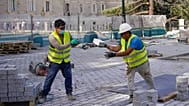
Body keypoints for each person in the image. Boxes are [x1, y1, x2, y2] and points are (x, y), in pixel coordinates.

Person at [100, 23, 156, 102]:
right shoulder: (123, 39)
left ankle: (153, 91)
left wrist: (114, 55)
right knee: (130, 79)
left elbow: (127, 52)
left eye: (123, 34)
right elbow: (117, 49)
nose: (121, 36)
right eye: (121, 34)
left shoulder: (135, 40)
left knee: (147, 77)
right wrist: (106, 46)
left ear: (128, 32)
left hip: (142, 64)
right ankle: (131, 96)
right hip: (131, 65)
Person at [38, 19, 77, 103]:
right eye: (61, 28)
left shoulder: (67, 34)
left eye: (64, 28)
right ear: (56, 28)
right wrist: (70, 43)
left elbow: (72, 43)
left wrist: (76, 43)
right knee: (50, 78)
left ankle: (69, 93)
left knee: (68, 77)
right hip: (54, 61)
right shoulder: (52, 36)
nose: (63, 30)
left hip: (65, 60)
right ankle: (43, 94)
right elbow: (59, 47)